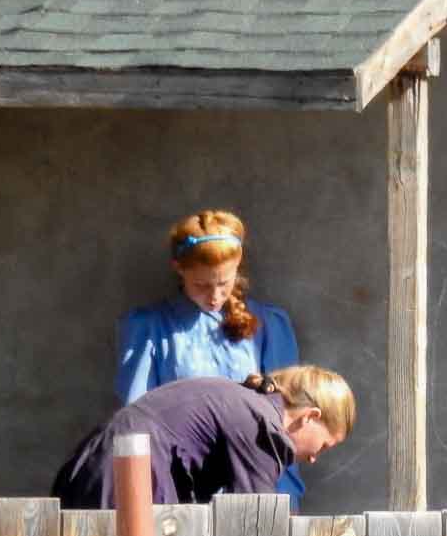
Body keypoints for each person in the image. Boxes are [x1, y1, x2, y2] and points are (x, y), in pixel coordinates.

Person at [116, 209, 307, 505]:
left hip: (253, 494)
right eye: (201, 285)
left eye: (224, 283)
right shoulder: (150, 328)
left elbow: (286, 421)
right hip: (178, 495)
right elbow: (135, 423)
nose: (215, 296)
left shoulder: (269, 325)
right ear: (178, 268)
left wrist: (285, 501)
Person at [52, 365, 354, 509]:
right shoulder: (263, 427)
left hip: (98, 465)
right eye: (324, 446)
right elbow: (256, 518)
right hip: (130, 482)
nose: (314, 458)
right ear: (311, 416)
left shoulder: (242, 400)